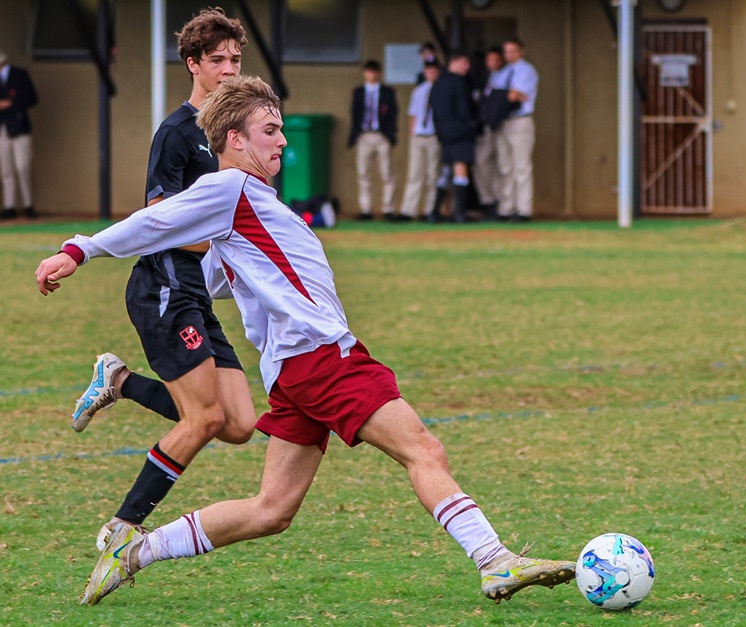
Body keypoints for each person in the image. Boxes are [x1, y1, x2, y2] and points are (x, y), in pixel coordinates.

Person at [33, 75, 576, 607]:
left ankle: (134, 552)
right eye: (270, 130)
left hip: (293, 370)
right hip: (323, 357)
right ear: (235, 140)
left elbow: (232, 278)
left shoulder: (245, 207)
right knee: (424, 449)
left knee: (272, 510)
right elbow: (153, 223)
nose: (284, 141)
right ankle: (493, 559)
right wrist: (78, 250)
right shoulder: (229, 187)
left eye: (283, 129)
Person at [70, 8, 258, 553]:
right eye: (218, 60)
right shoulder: (178, 132)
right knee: (203, 419)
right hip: (165, 286)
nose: (228, 69)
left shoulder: (233, 136)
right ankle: (123, 528)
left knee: (240, 423)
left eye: (236, 59)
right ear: (194, 64)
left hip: (196, 290)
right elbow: (160, 218)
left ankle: (118, 380)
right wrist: (221, 237)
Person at [429, 53, 477, 224]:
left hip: (444, 134)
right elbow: (463, 111)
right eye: (464, 62)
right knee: (460, 168)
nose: (467, 67)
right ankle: (459, 213)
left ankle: (434, 212)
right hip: (459, 134)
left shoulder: (438, 83)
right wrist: (469, 128)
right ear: (453, 62)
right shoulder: (457, 82)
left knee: (446, 173)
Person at [347, 60, 398, 221]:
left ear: (379, 73)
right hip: (364, 135)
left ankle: (388, 209)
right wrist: (355, 134)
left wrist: (390, 133)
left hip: (381, 135)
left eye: (375, 72)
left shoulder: (387, 92)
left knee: (387, 173)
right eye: (369, 71)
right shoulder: (359, 92)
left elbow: (393, 113)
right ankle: (366, 209)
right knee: (363, 173)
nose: (372, 75)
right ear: (365, 73)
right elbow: (354, 114)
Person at [494, 38, 538, 222]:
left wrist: (502, 97)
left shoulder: (526, 70)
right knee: (505, 167)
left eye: (513, 51)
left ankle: (524, 210)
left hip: (521, 121)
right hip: (503, 122)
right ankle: (507, 207)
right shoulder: (501, 73)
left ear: (521, 51)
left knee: (522, 166)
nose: (510, 54)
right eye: (506, 51)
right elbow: (495, 96)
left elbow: (514, 96)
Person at [397, 61, 441, 222]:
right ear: (425, 72)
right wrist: (412, 134)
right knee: (414, 174)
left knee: (432, 175)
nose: (432, 74)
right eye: (429, 71)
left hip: (434, 136)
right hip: (419, 135)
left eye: (434, 71)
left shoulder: (441, 90)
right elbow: (412, 114)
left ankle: (430, 210)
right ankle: (408, 210)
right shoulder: (419, 90)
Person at [0, 50, 38, 220]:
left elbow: (32, 98)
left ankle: (28, 205)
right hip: (2, 128)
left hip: (19, 127)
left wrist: (10, 104)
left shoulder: (19, 75)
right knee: (5, 168)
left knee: (22, 166)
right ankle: (10, 206)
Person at [473, 47, 505, 220]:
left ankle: (502, 204)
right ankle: (488, 202)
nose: (493, 63)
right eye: (490, 60)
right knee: (481, 164)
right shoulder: (482, 78)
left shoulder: (507, 76)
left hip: (500, 127)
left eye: (497, 60)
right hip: (483, 129)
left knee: (502, 166)